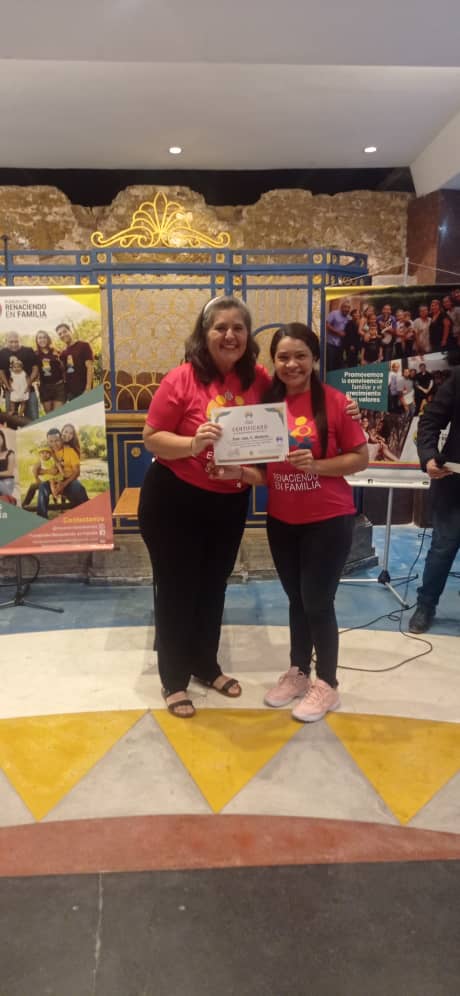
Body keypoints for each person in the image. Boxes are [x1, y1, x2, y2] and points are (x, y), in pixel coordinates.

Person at [138, 295, 362, 718]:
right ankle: (174, 680)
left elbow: (302, 398)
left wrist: (347, 403)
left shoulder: (259, 380)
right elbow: (152, 437)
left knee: (214, 584)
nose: (229, 335)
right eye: (220, 327)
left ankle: (206, 665)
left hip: (227, 501)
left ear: (248, 337)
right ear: (204, 335)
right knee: (177, 587)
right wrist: (192, 443)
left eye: (238, 328)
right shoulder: (181, 379)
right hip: (174, 500)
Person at [211, 323, 368, 722]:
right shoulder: (267, 407)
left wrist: (316, 465)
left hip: (328, 519)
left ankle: (327, 684)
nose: (292, 364)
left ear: (315, 359)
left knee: (318, 602)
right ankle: (299, 672)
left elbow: (359, 458)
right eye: (283, 356)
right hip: (282, 519)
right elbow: (268, 473)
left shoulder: (334, 403)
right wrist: (239, 473)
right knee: (297, 600)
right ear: (274, 362)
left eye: (300, 355)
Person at [408, 356, 460, 634]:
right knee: (443, 548)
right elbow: (429, 422)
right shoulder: (459, 378)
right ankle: (425, 605)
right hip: (455, 486)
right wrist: (428, 457)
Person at [36, 427, 88, 518]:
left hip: (68, 481)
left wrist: (63, 484)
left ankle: (89, 510)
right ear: (48, 441)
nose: (54, 444)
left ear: (61, 439)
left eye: (57, 440)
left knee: (78, 487)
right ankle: (41, 517)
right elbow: (37, 470)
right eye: (51, 441)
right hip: (52, 481)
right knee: (43, 487)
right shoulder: (45, 452)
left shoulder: (70, 451)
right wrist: (48, 471)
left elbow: (77, 472)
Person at [0, 332, 39, 421]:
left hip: (28, 390)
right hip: (11, 391)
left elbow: (35, 368)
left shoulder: (28, 350)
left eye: (16, 341)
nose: (14, 344)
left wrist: (28, 384)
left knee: (33, 418)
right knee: (11, 419)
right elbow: (1, 371)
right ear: (6, 341)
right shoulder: (2, 353)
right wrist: (8, 387)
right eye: (11, 342)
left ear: (20, 340)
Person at [56, 324, 94, 401]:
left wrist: (88, 388)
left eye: (64, 331)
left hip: (84, 390)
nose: (62, 335)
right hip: (71, 393)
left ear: (70, 331)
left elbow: (90, 367)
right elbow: (64, 372)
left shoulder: (84, 346)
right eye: (60, 334)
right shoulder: (63, 353)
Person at [35, 331, 65, 412]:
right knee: (49, 415)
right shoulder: (35, 354)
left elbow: (63, 368)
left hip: (59, 386)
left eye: (44, 337)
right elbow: (34, 371)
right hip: (44, 388)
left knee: (57, 414)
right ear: (37, 340)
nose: (42, 340)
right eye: (39, 338)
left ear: (48, 339)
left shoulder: (56, 351)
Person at [325, 299, 351, 371]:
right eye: (345, 307)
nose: (347, 309)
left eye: (348, 308)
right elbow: (327, 325)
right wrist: (338, 332)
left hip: (341, 346)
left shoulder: (349, 318)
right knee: (330, 365)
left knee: (339, 365)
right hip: (331, 344)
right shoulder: (334, 313)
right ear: (341, 307)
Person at [0, 429, 15, 498]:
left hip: (7, 481)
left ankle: (9, 498)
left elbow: (10, 472)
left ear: (3, 439)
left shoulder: (10, 453)